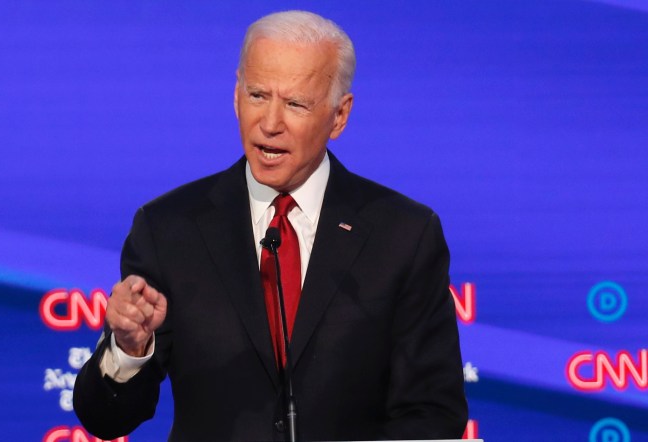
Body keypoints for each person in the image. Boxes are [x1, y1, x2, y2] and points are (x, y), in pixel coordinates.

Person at [73, 10, 467, 441]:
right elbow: (105, 419)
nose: (271, 123)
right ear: (236, 95)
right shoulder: (170, 228)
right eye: (258, 95)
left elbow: (433, 412)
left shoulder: (403, 236)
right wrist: (129, 350)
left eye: (296, 103)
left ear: (339, 116)